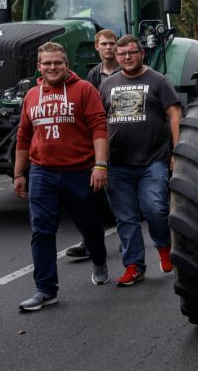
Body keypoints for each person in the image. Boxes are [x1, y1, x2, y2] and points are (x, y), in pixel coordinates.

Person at [14, 42, 110, 312]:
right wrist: (19, 173)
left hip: (79, 171)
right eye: (47, 63)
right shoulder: (32, 96)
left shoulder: (84, 90)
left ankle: (99, 259)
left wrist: (100, 165)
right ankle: (45, 290)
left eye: (58, 62)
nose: (53, 67)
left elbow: (99, 128)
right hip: (42, 172)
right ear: (39, 67)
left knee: (90, 226)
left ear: (66, 65)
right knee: (41, 231)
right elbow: (23, 136)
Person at [100, 35, 181, 286]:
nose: (126, 57)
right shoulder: (108, 85)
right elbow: (97, 122)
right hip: (117, 163)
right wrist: (98, 161)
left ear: (141, 53)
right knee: (125, 218)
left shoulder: (158, 81)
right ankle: (134, 265)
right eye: (122, 54)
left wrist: (178, 153)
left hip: (153, 161)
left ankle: (165, 247)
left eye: (131, 53)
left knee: (155, 208)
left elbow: (175, 115)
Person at [66, 29, 122, 259]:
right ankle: (89, 242)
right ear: (97, 47)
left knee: (120, 192)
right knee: (93, 193)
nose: (108, 48)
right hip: (100, 137)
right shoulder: (92, 75)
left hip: (123, 136)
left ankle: (127, 238)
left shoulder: (126, 69)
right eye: (104, 44)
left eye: (112, 44)